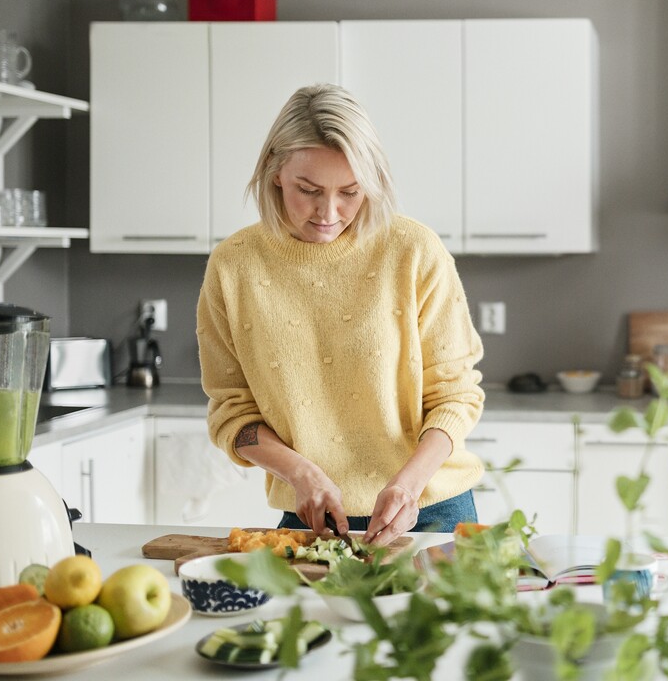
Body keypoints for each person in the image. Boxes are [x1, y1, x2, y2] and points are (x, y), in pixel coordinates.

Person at [197, 83, 485, 548]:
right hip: (309, 513)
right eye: (307, 190)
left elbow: (455, 396)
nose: (328, 213)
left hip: (429, 507)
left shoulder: (414, 251)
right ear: (274, 172)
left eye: (350, 192)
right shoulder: (233, 267)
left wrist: (408, 484)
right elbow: (232, 413)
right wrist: (300, 472)